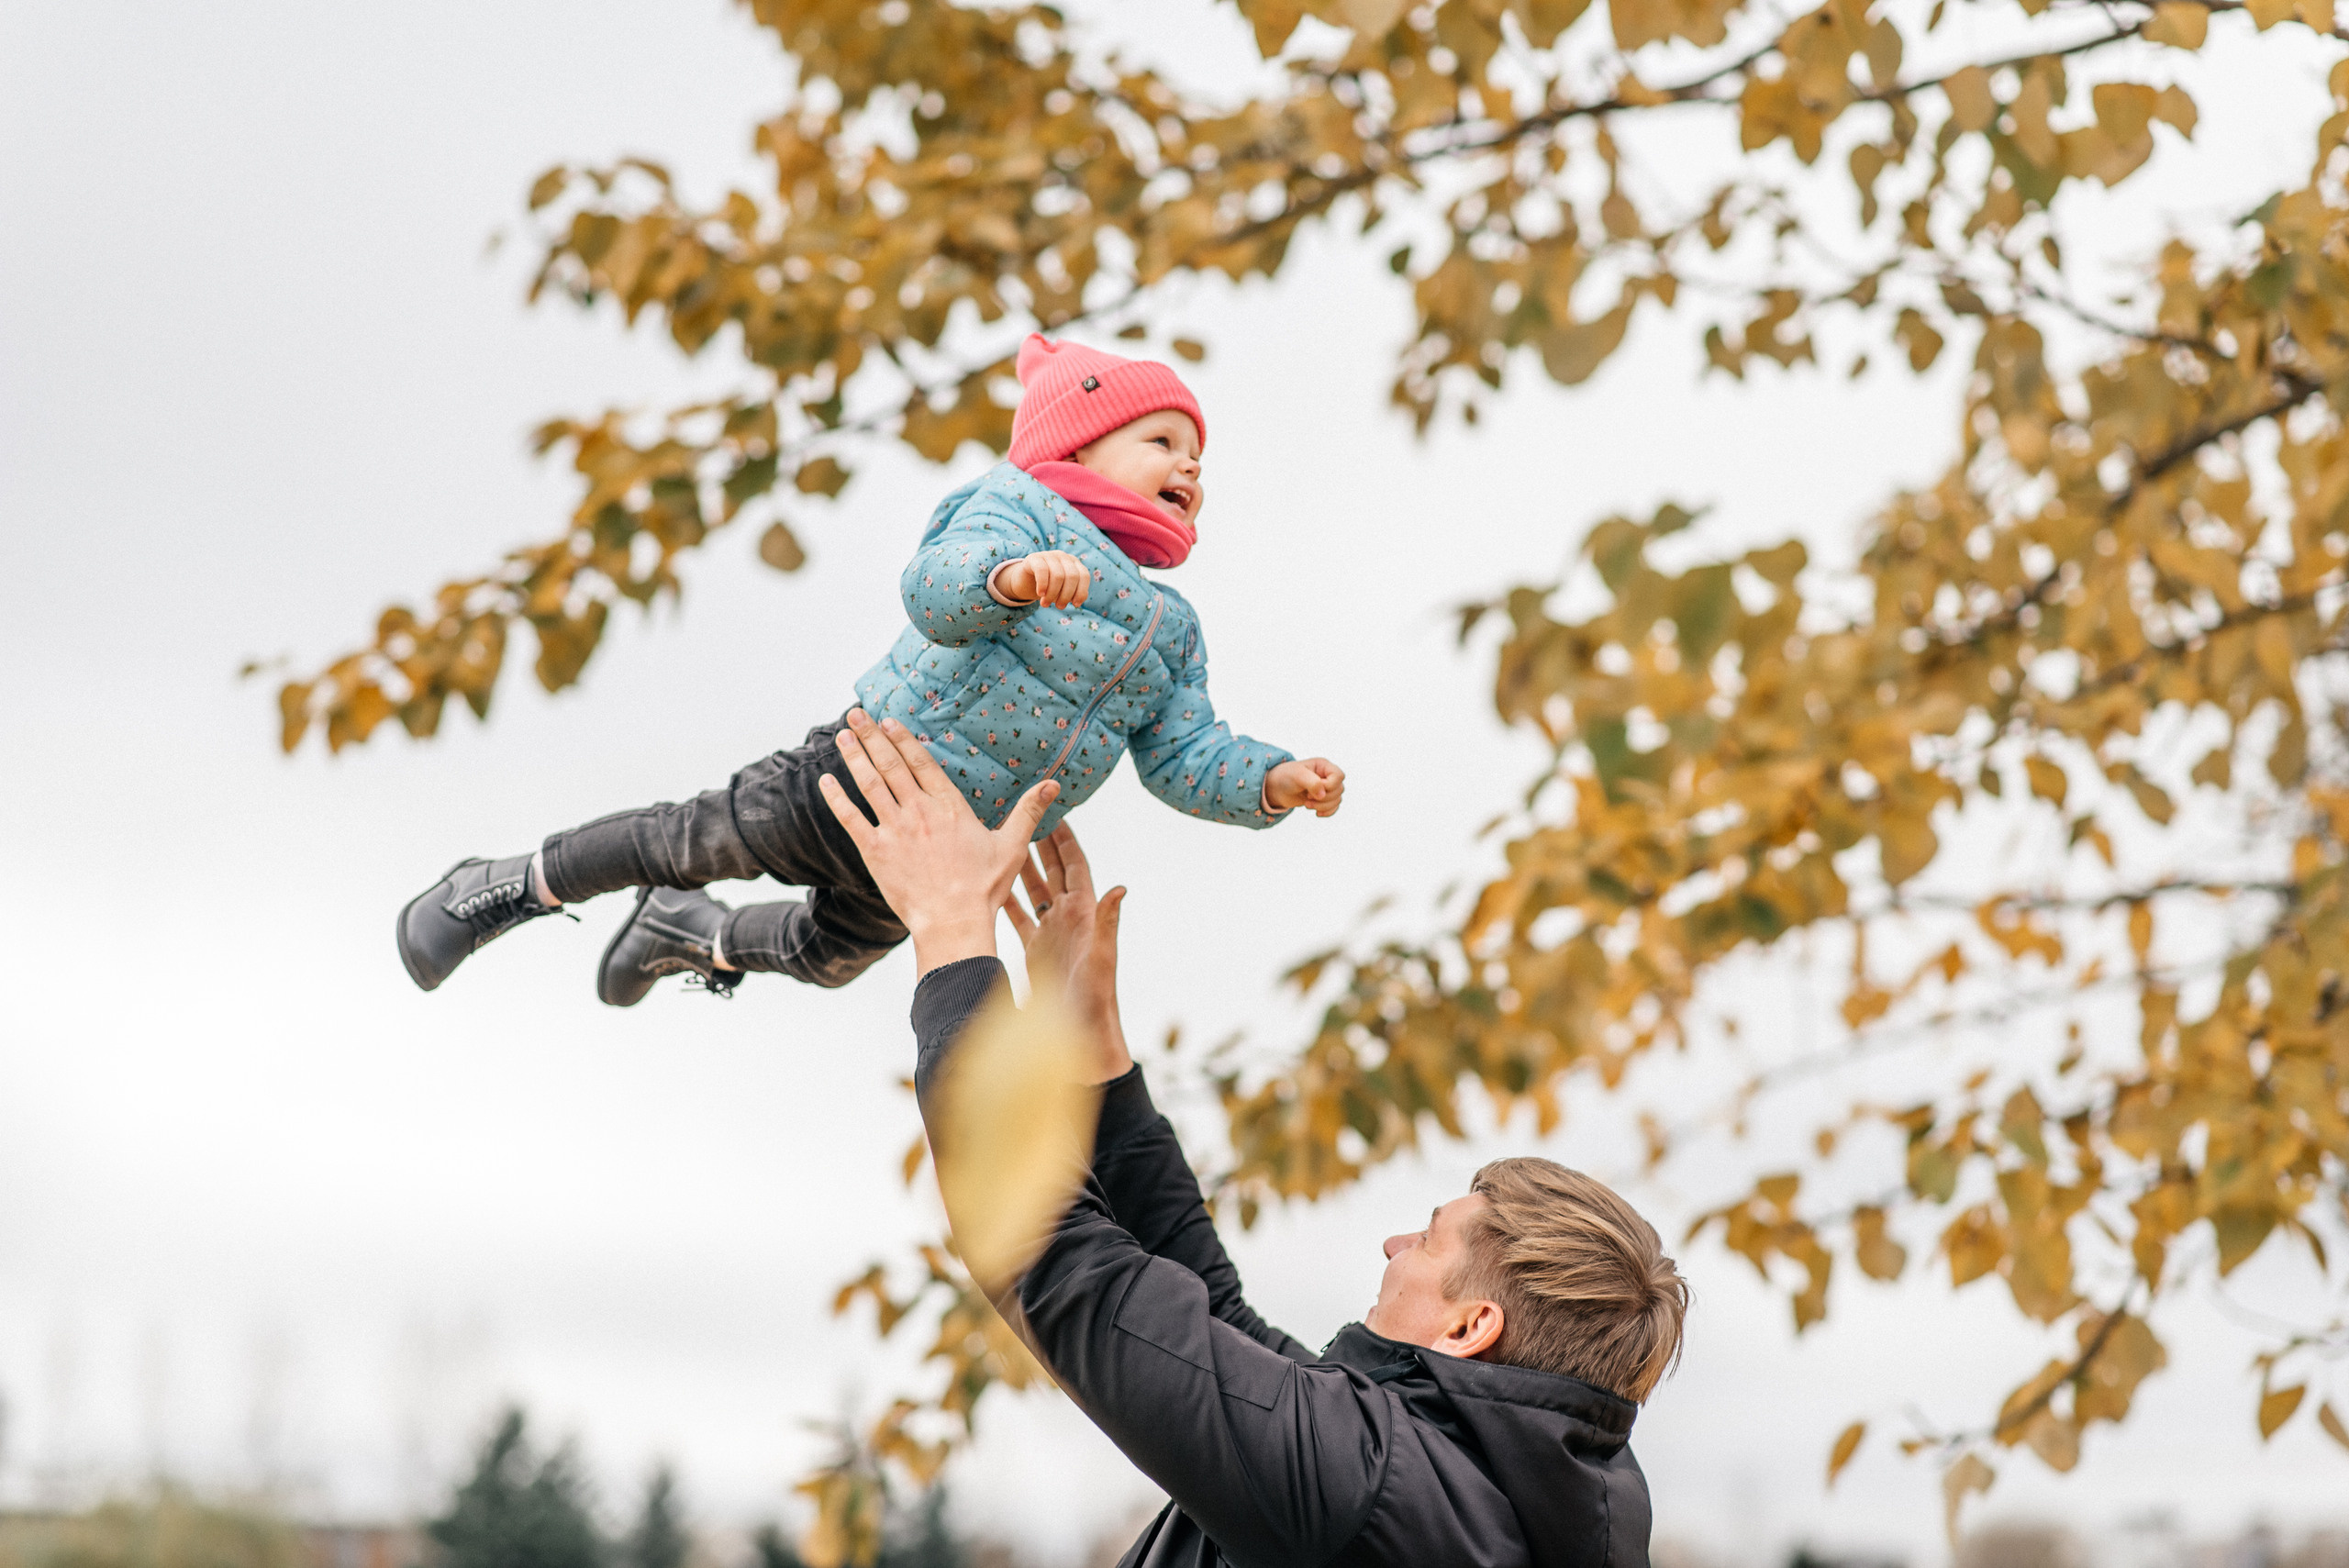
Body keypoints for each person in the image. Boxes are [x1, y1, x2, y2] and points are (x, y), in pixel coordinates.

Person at [819, 707, 1689, 1568]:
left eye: (1427, 1239)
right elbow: (1213, 1322)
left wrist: (952, 931)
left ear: (1472, 1324)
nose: (1393, 1244)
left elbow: (1068, 1273)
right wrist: (1095, 1065)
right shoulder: (1483, 1494)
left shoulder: (1377, 1498)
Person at [394, 335, 1347, 1002]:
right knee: (692, 839)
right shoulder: (1013, 508)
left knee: (831, 955)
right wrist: (1008, 580)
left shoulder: (1167, 629)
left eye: (1198, 459)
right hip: (864, 779)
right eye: (1163, 442)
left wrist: (1268, 780)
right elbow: (934, 588)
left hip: (947, 856)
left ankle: (691, 935)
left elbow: (1184, 751)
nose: (1190, 467)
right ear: (1076, 445)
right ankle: (507, 883)